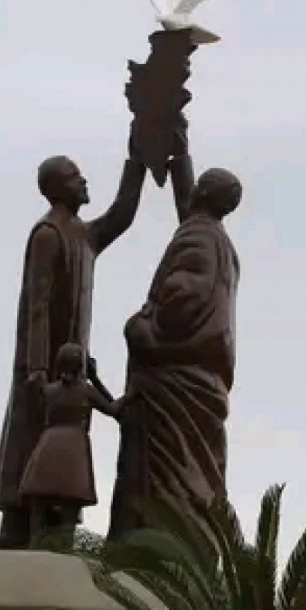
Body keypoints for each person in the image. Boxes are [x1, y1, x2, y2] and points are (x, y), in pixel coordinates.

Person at [0, 130, 147, 550]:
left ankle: (57, 536)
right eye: (76, 177)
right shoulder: (47, 234)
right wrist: (38, 368)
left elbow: (122, 215)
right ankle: (18, 535)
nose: (84, 182)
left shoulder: (83, 236)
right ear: (58, 187)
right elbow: (37, 304)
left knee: (65, 458)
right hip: (42, 369)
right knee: (31, 454)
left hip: (72, 365)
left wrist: (139, 159)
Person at [109, 150, 242, 540]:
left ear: (203, 192)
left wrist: (141, 327)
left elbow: (184, 297)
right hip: (198, 381)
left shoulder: (199, 237)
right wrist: (179, 155)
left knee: (166, 476)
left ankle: (153, 549)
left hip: (172, 382)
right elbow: (190, 210)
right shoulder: (218, 240)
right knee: (193, 472)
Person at [18, 342, 123, 543]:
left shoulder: (48, 390)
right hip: (73, 449)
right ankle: (64, 549)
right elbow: (114, 410)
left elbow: (34, 414)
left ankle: (35, 545)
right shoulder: (86, 391)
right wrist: (97, 380)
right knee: (69, 503)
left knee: (39, 504)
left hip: (48, 444)